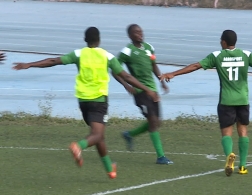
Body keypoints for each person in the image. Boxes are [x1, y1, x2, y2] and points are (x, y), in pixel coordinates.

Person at [12, 27, 159, 179]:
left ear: (85, 40)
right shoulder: (106, 56)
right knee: (96, 134)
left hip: (83, 101)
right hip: (99, 101)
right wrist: (146, 89)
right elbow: (126, 76)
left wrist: (29, 64)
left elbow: (53, 61)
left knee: (98, 135)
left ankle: (110, 169)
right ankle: (78, 146)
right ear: (99, 40)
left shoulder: (79, 54)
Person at [160, 30, 252, 176]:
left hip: (226, 100)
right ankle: (243, 166)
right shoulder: (245, 55)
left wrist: (173, 73)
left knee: (226, 132)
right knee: (243, 131)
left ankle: (230, 155)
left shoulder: (217, 56)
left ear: (223, 42)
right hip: (242, 99)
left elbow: (195, 66)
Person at [113, 24, 173, 165]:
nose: (140, 34)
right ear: (130, 35)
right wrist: (126, 85)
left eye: (141, 32)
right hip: (140, 91)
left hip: (153, 90)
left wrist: (162, 81)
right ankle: (160, 157)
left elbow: (153, 65)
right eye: (136, 32)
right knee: (152, 120)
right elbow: (115, 70)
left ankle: (129, 134)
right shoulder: (127, 51)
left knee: (157, 122)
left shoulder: (149, 48)